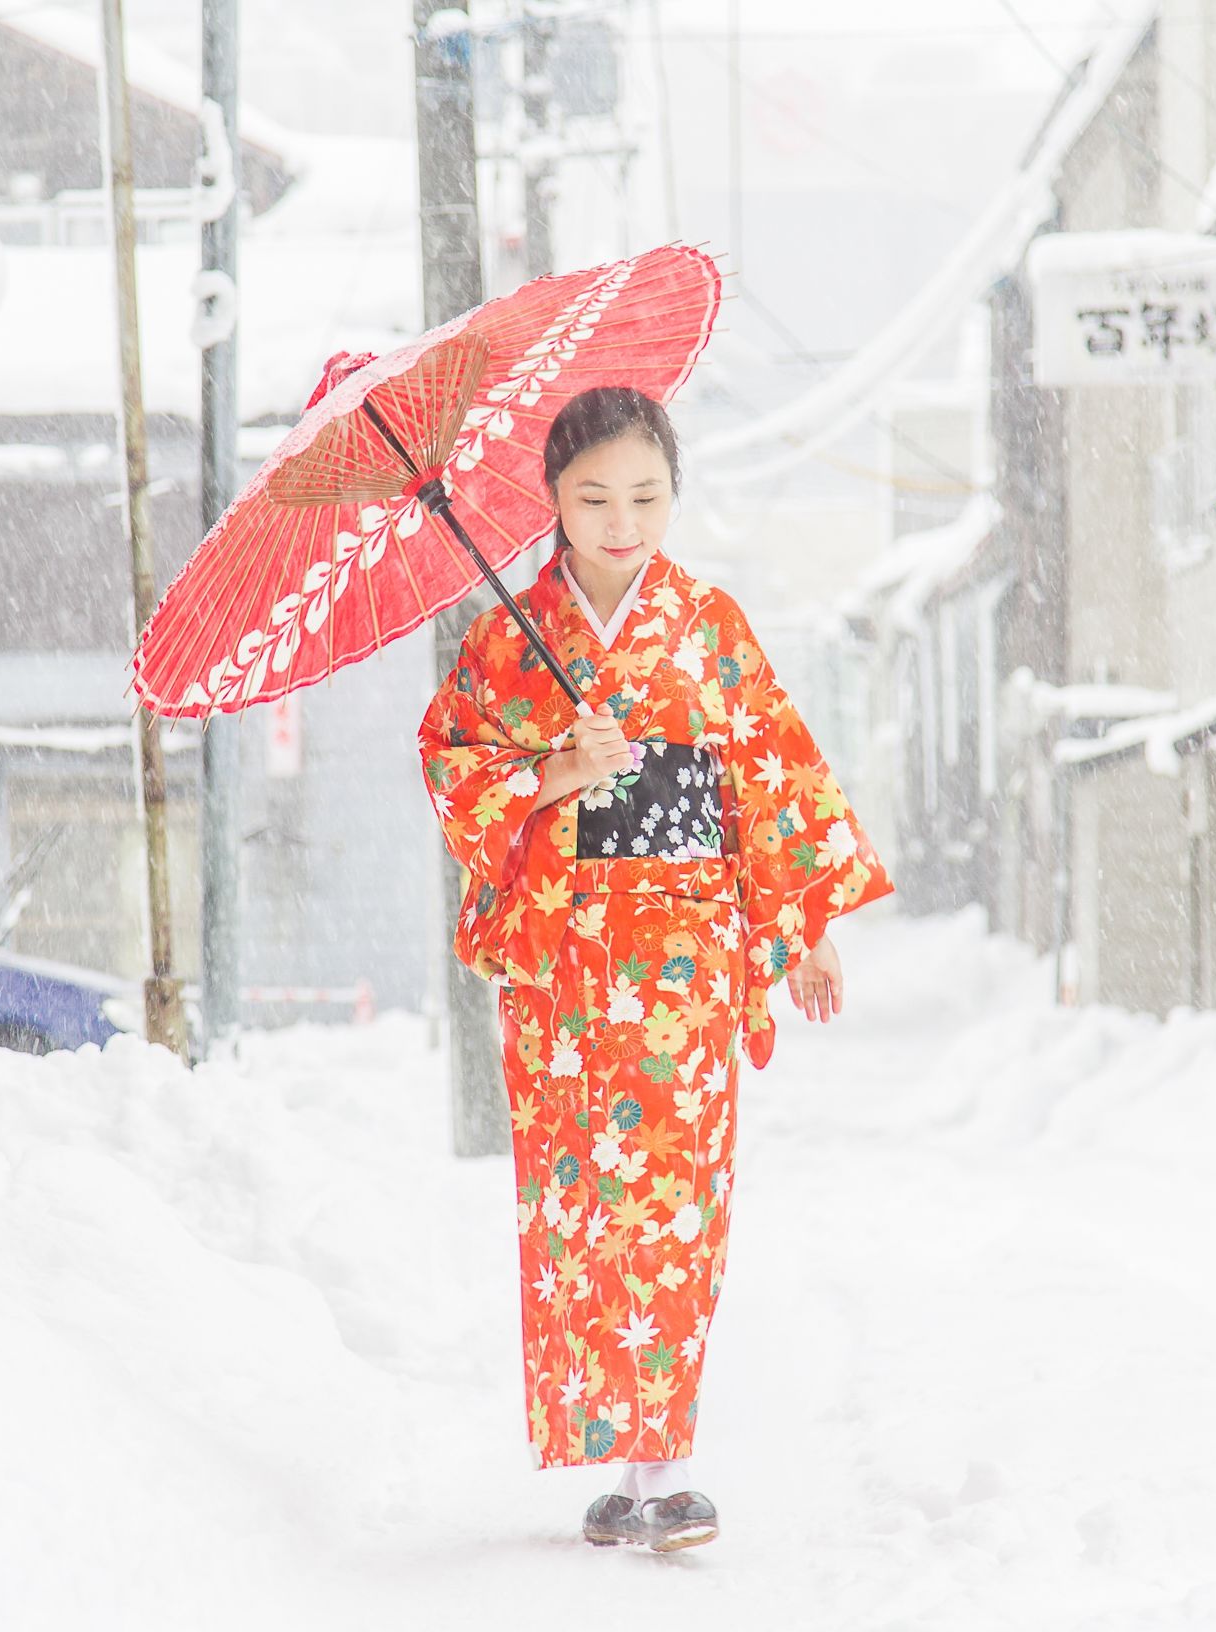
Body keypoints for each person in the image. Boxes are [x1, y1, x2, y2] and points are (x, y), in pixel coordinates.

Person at [415, 385, 895, 1552]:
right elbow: (453, 771)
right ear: (552, 500)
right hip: (563, 968)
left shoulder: (709, 625)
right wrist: (556, 771)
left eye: (645, 495)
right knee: (578, 1205)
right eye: (593, 499)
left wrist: (803, 926)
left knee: (674, 1202)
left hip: (683, 960)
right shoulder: (505, 642)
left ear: (674, 492)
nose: (621, 521)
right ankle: (619, 1462)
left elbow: (767, 776)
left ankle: (662, 1467)